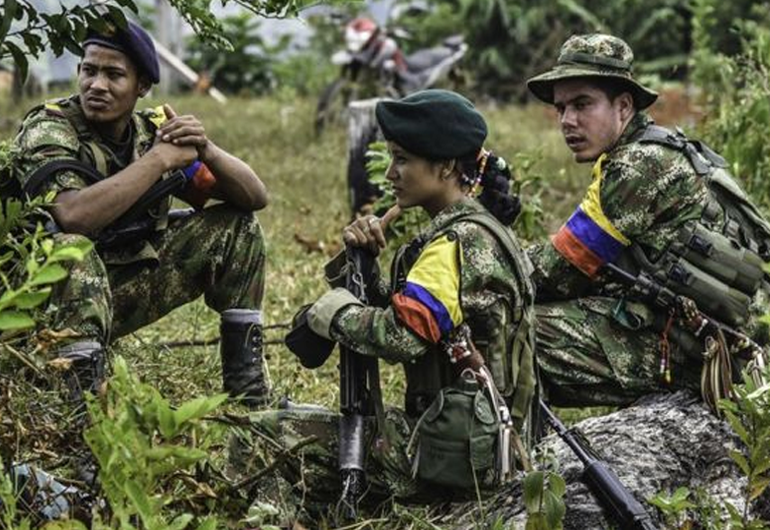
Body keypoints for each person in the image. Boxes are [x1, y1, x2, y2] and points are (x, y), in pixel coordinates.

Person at [231, 89, 536, 512]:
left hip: (453, 457)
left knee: (262, 432)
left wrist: (335, 314)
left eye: (402, 159)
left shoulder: (455, 243)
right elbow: (427, 324)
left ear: (446, 166)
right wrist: (367, 270)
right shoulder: (481, 230)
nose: (390, 173)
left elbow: (403, 336)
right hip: (476, 443)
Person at [0, 20, 270, 407]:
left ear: (141, 86)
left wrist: (205, 147)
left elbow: (254, 197)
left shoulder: (149, 133)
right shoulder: (50, 128)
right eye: (89, 70)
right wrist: (159, 160)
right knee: (72, 249)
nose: (97, 85)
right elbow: (73, 216)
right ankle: (78, 417)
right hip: (24, 309)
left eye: (114, 75)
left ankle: (250, 401)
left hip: (107, 292)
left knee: (237, 228)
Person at [525, 34, 770, 409]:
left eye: (582, 104)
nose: (567, 120)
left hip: (707, 354)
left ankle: (515, 462)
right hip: (717, 341)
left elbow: (557, 273)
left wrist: (485, 262)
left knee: (513, 331)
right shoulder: (662, 148)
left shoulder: (636, 166)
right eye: (560, 108)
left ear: (623, 106)